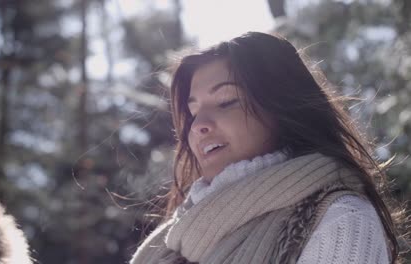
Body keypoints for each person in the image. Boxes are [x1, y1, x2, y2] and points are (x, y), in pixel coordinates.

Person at [129, 32, 406, 264]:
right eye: (192, 113)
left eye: (226, 101)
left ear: (281, 107)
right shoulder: (167, 245)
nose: (198, 125)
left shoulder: (340, 220)